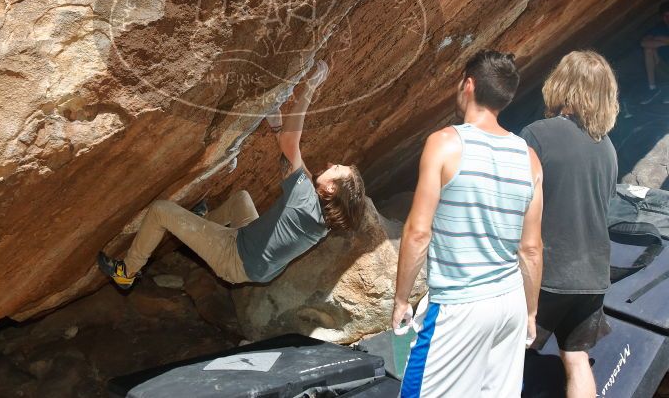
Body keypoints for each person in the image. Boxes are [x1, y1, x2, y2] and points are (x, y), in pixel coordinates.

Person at [97, 60, 366, 288]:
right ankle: (203, 223)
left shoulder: (306, 202)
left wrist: (309, 87)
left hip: (233, 258)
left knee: (160, 210)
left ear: (330, 189)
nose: (332, 163)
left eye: (336, 169)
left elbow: (290, 147)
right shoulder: (319, 217)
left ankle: (127, 273)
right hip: (254, 257)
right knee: (241, 199)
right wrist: (277, 127)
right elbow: (296, 167)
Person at [392, 50, 544, 398]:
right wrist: (531, 312)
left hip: (460, 304)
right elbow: (531, 249)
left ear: (468, 84)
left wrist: (402, 299)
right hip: (511, 303)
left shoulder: (445, 143)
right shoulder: (529, 158)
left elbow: (418, 232)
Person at [520, 51, 618, 398]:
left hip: (548, 273)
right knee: (576, 358)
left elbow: (515, 206)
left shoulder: (537, 135)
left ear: (561, 84)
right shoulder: (607, 147)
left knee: (506, 356)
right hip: (593, 275)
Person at [639, 1, 669, 104]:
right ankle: (652, 88)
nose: (668, 19)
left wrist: (658, 40)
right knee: (648, 50)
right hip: (663, 66)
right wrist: (665, 42)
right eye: (665, 16)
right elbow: (644, 43)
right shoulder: (659, 29)